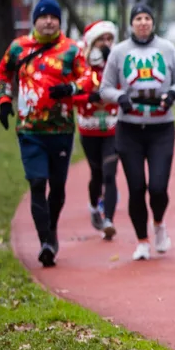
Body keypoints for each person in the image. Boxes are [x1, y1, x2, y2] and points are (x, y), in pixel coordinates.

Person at [0, 0, 93, 267]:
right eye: (43, 17)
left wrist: (71, 88)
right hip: (29, 129)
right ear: (35, 20)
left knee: (58, 187)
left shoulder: (72, 49)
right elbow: (3, 72)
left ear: (59, 22)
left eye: (53, 17)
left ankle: (52, 229)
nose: (49, 21)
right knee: (37, 183)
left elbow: (88, 78)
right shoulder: (19, 47)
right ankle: (46, 242)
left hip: (61, 129)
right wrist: (4, 101)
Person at [101, 3, 175, 261]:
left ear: (153, 22)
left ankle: (159, 223)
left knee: (158, 187)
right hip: (129, 129)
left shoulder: (168, 49)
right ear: (131, 23)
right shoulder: (119, 52)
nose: (142, 22)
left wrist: (172, 93)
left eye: (146, 18)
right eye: (137, 18)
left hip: (161, 128)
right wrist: (120, 97)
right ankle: (141, 241)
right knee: (136, 186)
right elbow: (105, 88)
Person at [73, 19, 120, 240]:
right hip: (89, 127)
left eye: (109, 38)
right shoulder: (81, 65)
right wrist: (91, 98)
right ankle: (94, 206)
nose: (105, 43)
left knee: (110, 173)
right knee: (97, 174)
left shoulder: (118, 63)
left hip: (113, 126)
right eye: (101, 39)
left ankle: (108, 219)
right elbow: (73, 94)